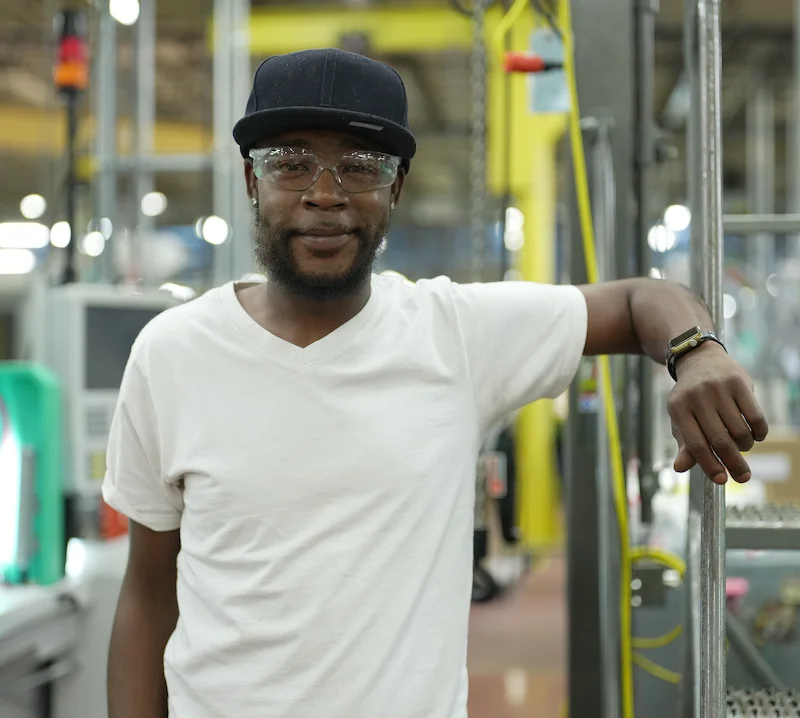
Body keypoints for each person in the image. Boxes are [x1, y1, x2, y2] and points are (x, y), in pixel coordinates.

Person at [104, 49, 767, 718]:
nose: (325, 194)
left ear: (395, 188)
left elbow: (641, 302)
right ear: (252, 180)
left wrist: (698, 352)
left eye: (360, 167)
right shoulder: (174, 355)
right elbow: (148, 595)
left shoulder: (455, 335)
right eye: (291, 163)